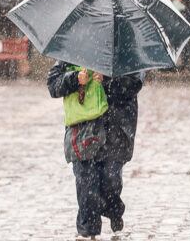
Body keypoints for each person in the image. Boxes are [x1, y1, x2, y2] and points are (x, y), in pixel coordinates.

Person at [47, 61, 143, 239]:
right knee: (86, 183)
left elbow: (134, 83)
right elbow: (53, 85)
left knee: (110, 180)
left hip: (116, 130)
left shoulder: (126, 51)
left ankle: (114, 208)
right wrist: (75, 79)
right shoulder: (74, 49)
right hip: (82, 130)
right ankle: (88, 232)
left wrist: (107, 80)